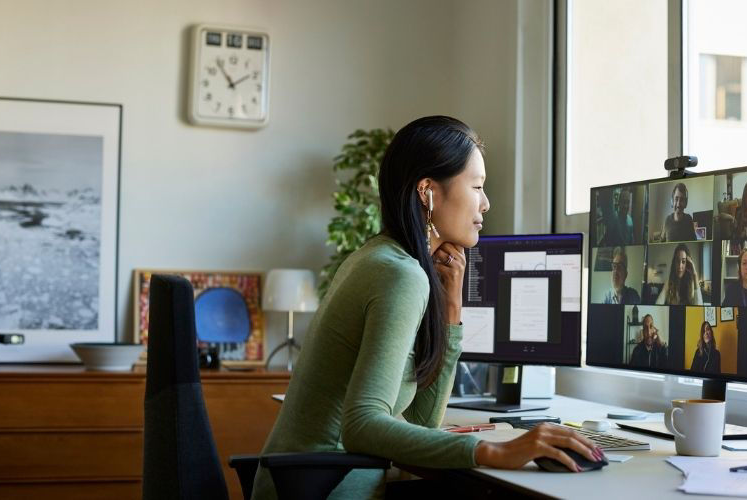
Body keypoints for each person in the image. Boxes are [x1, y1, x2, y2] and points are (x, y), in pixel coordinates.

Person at [252, 116, 600, 499]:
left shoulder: (379, 257)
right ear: (427, 191)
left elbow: (421, 423)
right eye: (477, 186)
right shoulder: (399, 274)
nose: (486, 202)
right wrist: (494, 450)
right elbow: (363, 425)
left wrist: (452, 310)